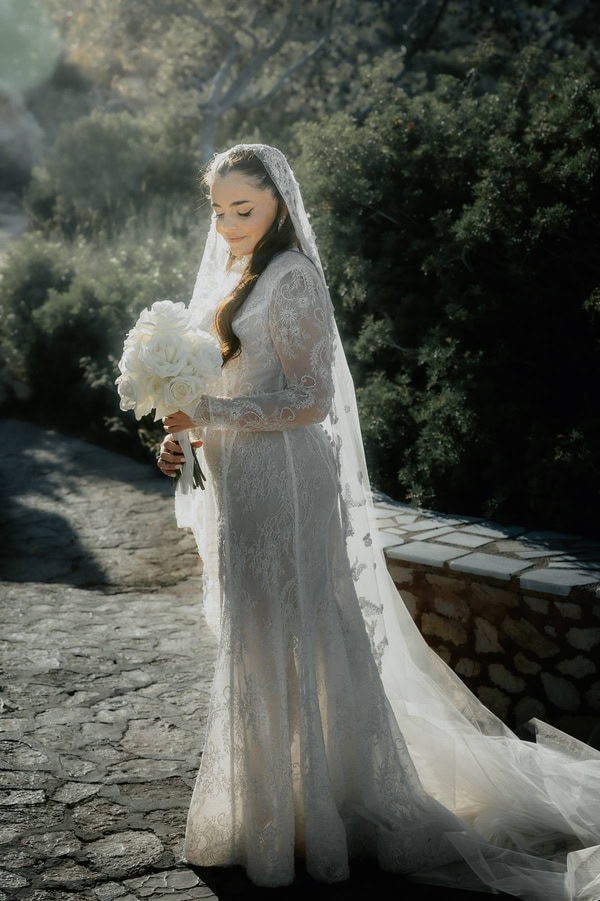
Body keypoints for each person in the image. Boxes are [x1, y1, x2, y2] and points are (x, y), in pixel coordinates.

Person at [157, 144, 600, 899]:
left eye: (245, 209)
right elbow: (222, 384)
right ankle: (273, 806)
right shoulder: (232, 276)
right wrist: (182, 434)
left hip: (291, 482)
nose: (230, 225)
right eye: (220, 210)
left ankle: (330, 807)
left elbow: (310, 401)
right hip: (243, 487)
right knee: (257, 638)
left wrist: (214, 412)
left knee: (306, 635)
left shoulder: (293, 278)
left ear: (279, 205)